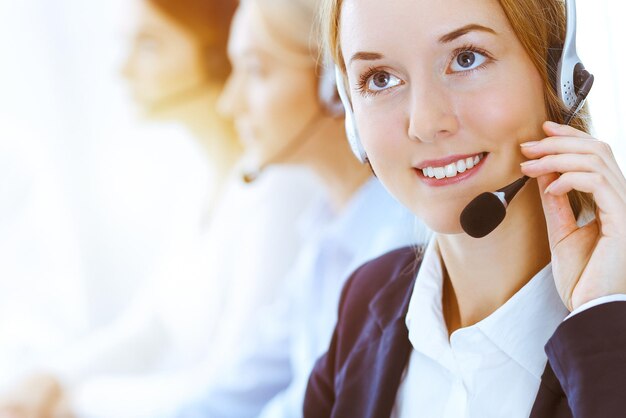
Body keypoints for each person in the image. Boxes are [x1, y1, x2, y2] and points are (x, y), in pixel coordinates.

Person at [305, 0, 626, 416]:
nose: (424, 122)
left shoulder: (614, 327)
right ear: (352, 116)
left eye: (465, 58)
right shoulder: (366, 302)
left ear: (557, 72)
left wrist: (603, 321)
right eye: (380, 79)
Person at [0, 0, 321, 416]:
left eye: (148, 45)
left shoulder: (280, 191)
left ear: (217, 55)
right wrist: (50, 378)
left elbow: (234, 385)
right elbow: (150, 327)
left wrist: (74, 405)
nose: (123, 69)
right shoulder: (201, 180)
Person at [177, 0, 427, 416]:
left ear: (335, 85)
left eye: (256, 71)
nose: (230, 103)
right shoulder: (326, 230)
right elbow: (235, 390)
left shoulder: (398, 244)